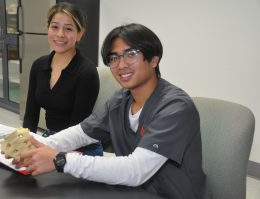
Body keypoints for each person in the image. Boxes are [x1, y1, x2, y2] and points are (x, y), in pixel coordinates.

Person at [14, 23, 210, 198]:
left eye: (131, 54)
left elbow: (136, 170)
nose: (121, 64)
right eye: (114, 57)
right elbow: (81, 133)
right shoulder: (120, 100)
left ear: (154, 60)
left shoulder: (175, 108)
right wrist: (36, 148)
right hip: (132, 191)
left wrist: (61, 161)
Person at [22, 2, 103, 156]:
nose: (60, 34)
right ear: (48, 29)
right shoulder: (38, 65)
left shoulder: (86, 72)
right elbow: (30, 116)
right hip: (52, 139)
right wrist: (25, 144)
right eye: (55, 27)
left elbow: (76, 130)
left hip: (80, 146)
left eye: (68, 29)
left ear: (80, 34)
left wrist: (46, 151)